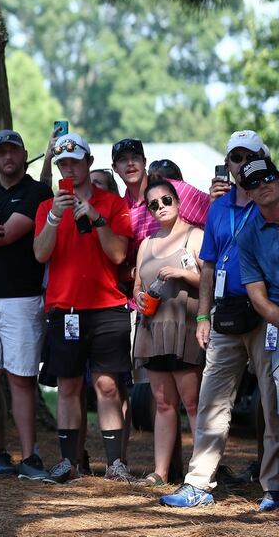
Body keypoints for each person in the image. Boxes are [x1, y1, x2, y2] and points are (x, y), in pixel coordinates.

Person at [159, 130, 278, 509]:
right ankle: (198, 483)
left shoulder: (268, 201)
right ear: (227, 165)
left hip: (267, 312)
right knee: (212, 399)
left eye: (248, 158)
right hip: (227, 312)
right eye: (235, 159)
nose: (242, 166)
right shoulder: (220, 207)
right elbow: (207, 266)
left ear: (264, 159)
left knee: (272, 402)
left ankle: (273, 486)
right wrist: (203, 315)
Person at [33, 133, 135, 484]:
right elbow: (40, 254)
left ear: (89, 162)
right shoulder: (48, 207)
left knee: (107, 386)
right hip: (66, 309)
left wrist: (96, 218)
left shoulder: (112, 204)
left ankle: (114, 464)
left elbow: (120, 255)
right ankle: (67, 461)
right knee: (68, 386)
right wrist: (52, 219)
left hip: (108, 307)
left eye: (75, 162)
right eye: (62, 164)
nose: (69, 169)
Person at [0, 130, 54, 480]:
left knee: (22, 379)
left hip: (22, 300)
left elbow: (8, 233)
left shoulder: (37, 193)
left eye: (13, 151)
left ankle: (30, 458)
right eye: (1, 152)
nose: (7, 157)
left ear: (25, 155)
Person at [131, 180, 205, 486]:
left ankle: (201, 473)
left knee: (192, 403)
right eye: (153, 204)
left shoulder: (194, 236)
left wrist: (182, 274)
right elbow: (136, 285)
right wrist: (137, 295)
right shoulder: (146, 244)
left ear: (177, 201)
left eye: (166, 201)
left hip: (184, 329)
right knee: (162, 404)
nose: (161, 207)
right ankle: (160, 473)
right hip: (152, 329)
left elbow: (209, 283)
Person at [235, 157, 279, 511]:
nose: (263, 185)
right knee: (275, 407)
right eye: (254, 184)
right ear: (247, 193)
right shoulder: (248, 236)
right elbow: (258, 299)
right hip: (276, 323)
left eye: (269, 178)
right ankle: (275, 487)